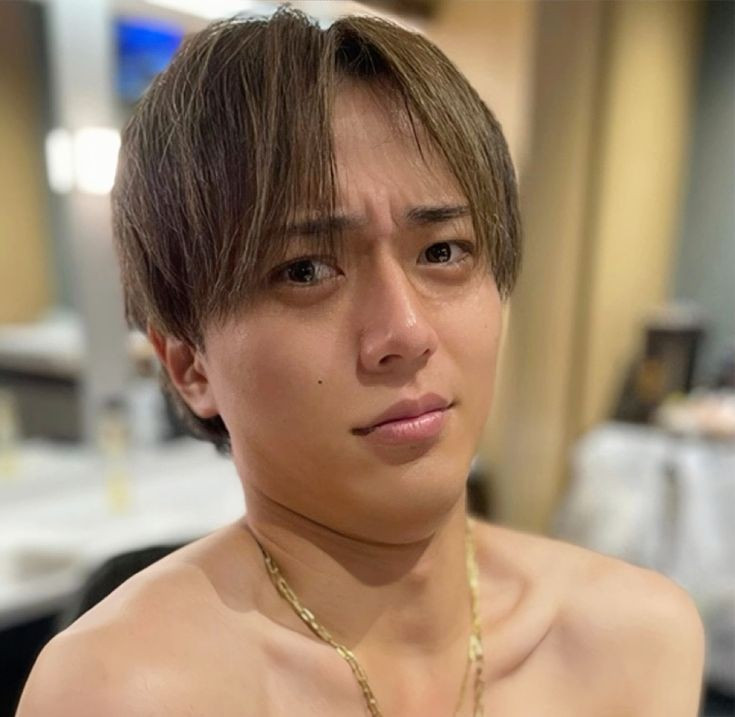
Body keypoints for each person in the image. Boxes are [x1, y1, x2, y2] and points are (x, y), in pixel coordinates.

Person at [17, 6, 705, 716]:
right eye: (305, 271)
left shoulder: (635, 637)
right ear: (190, 365)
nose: (405, 332)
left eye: (443, 251)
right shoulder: (124, 692)